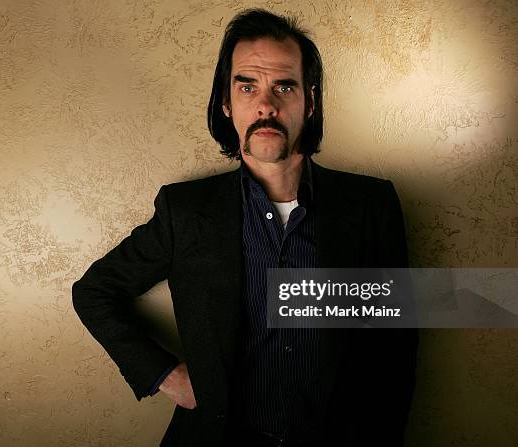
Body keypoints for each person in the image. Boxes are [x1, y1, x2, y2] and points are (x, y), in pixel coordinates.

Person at [72, 8, 418, 447]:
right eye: (247, 85)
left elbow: (396, 347)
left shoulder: (372, 206)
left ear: (309, 103)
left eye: (284, 86)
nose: (265, 105)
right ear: (225, 101)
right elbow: (94, 292)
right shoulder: (185, 212)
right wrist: (164, 375)